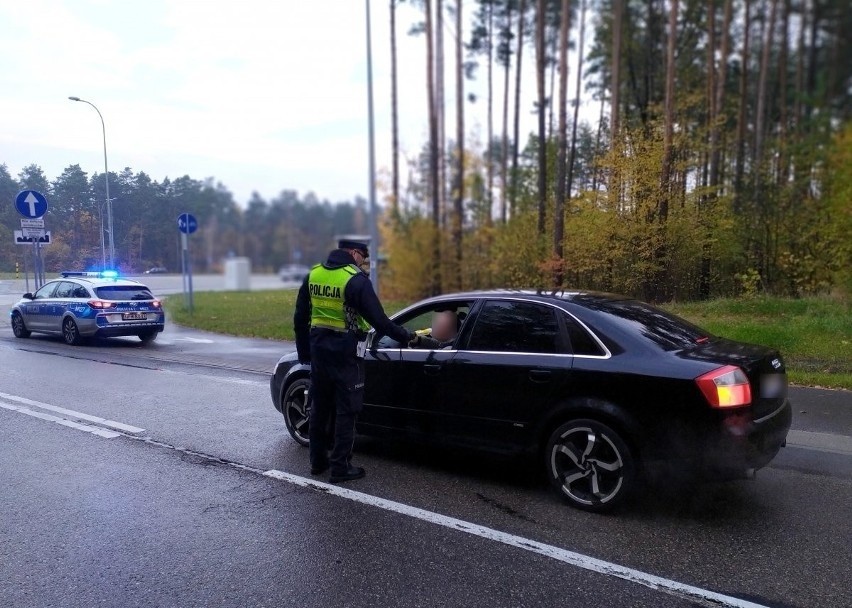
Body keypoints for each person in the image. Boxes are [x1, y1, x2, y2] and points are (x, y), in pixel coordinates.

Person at [293, 239, 414, 483]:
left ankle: (317, 462)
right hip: (346, 354)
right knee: (347, 410)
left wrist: (304, 353)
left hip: (319, 351)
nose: (363, 263)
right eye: (363, 258)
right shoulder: (355, 279)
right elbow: (380, 321)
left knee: (320, 408)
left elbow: (299, 318)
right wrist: (407, 337)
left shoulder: (313, 275)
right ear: (354, 253)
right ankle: (340, 467)